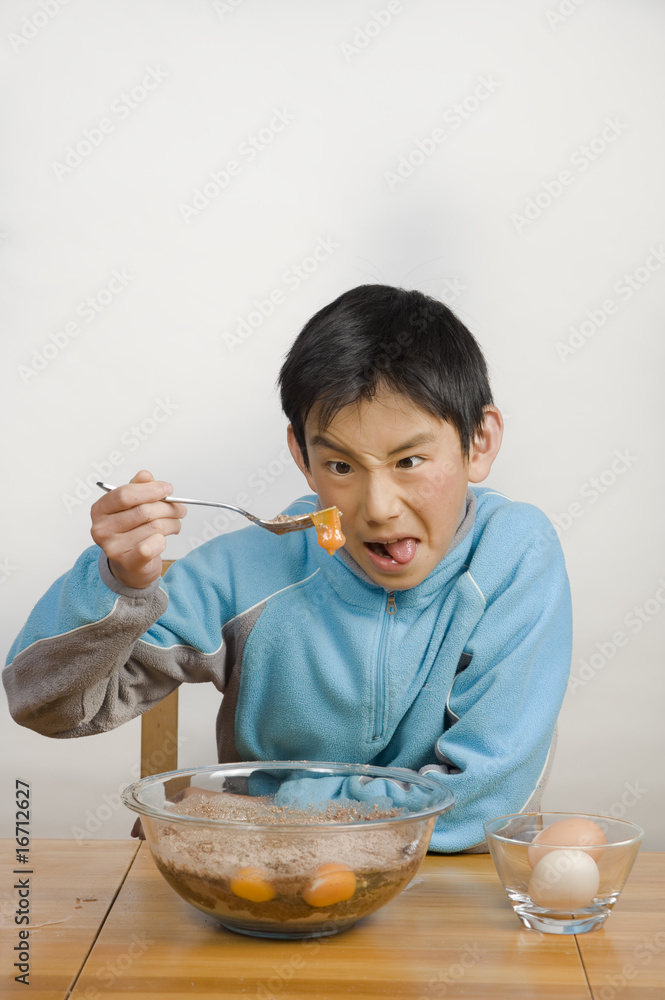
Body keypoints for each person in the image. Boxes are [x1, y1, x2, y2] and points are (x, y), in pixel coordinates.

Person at [3, 284, 572, 852]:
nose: (378, 509)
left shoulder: (513, 555)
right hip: (265, 882)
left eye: (410, 460)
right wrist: (116, 584)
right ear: (302, 456)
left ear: (479, 442)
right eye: (341, 465)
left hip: (451, 893)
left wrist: (257, 813)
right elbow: (46, 707)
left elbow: (484, 802)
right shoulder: (251, 569)